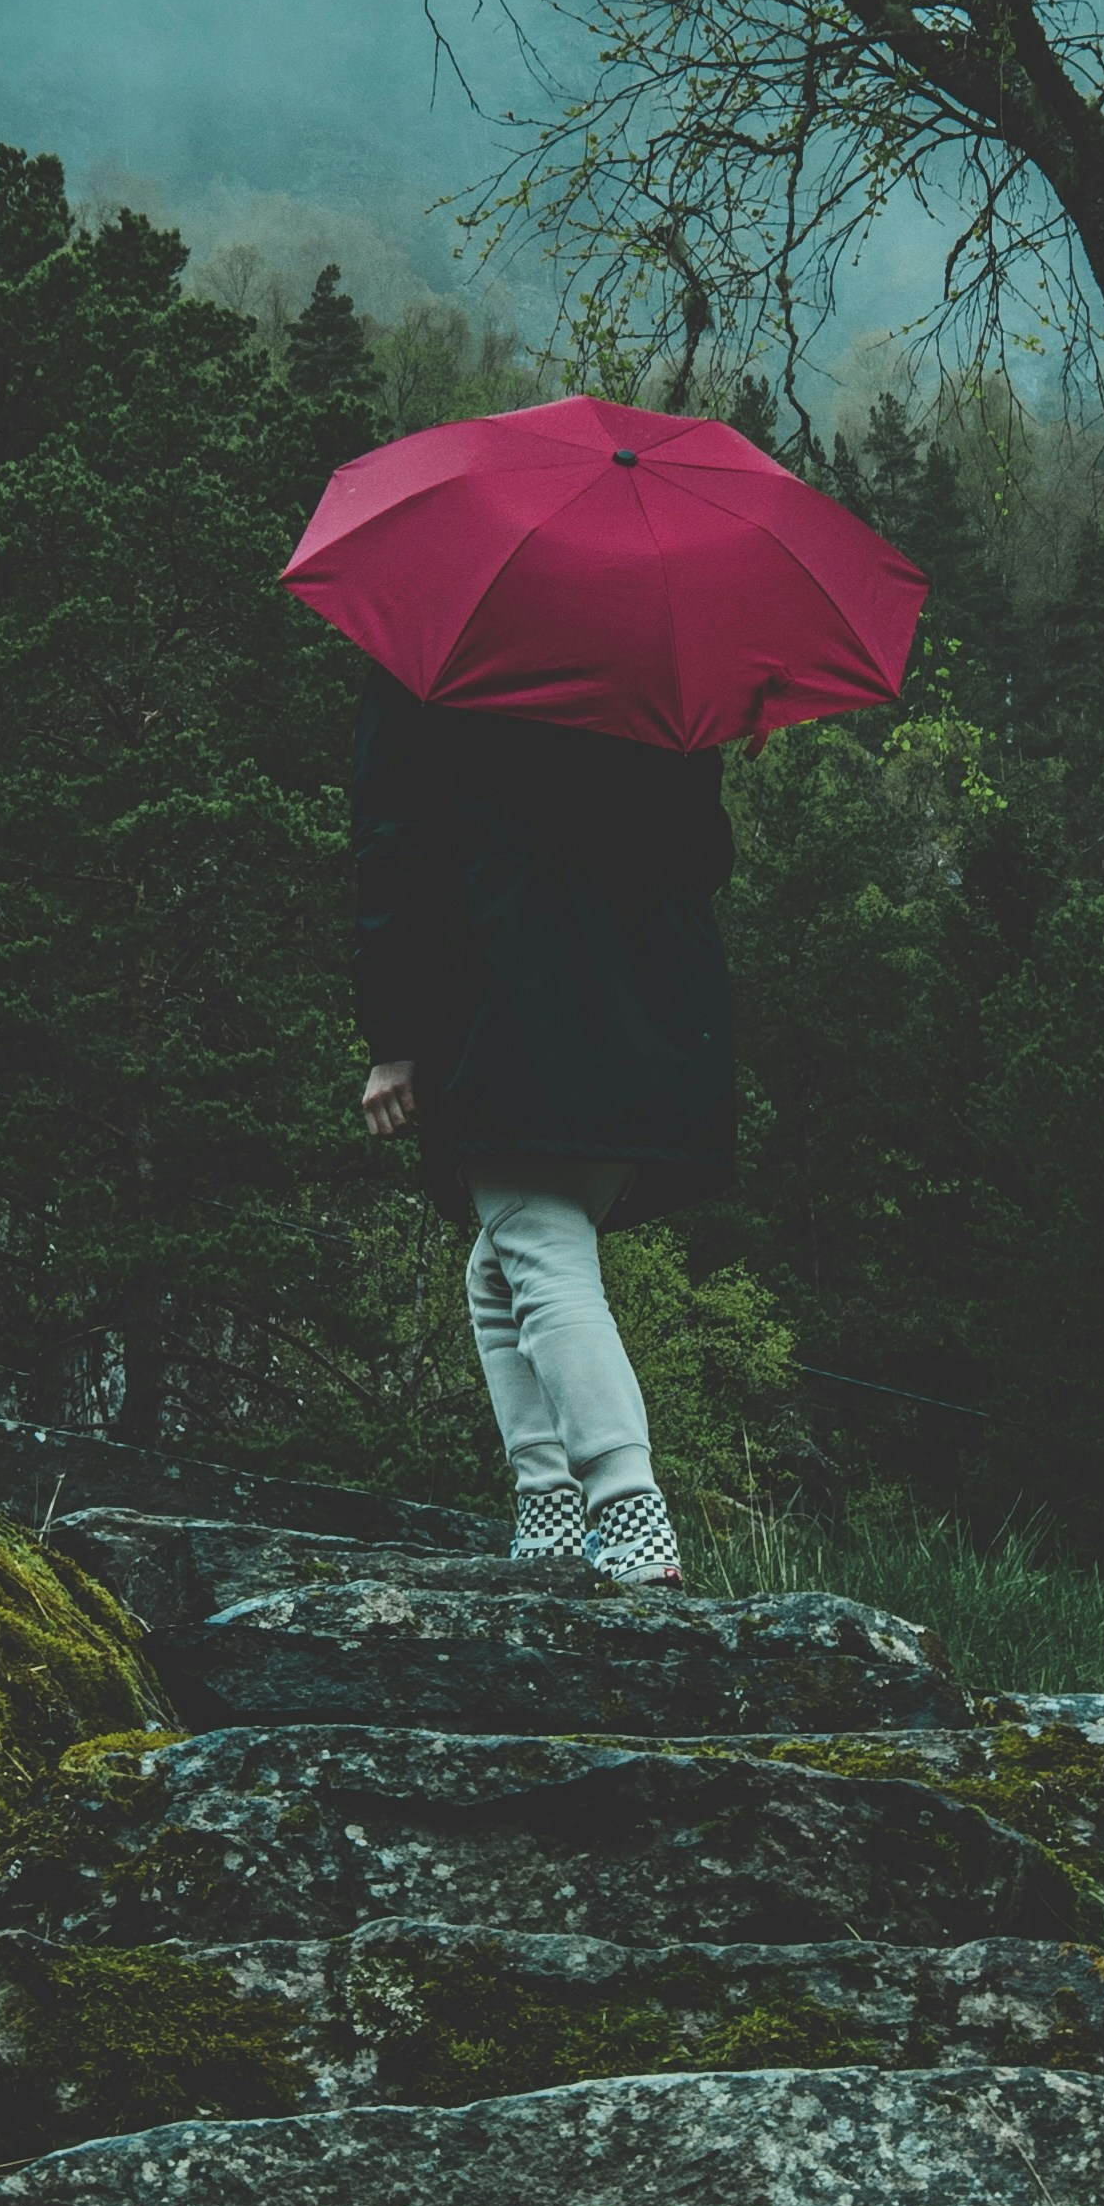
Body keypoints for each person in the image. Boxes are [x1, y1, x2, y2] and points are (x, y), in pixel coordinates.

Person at [347, 659, 737, 1586]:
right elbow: (709, 855)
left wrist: (394, 1036)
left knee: (540, 1251)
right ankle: (551, 1509)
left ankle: (629, 1511)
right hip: (650, 1003)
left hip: (511, 993)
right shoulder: (656, 661)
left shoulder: (435, 661)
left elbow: (393, 841)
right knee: (502, 1267)